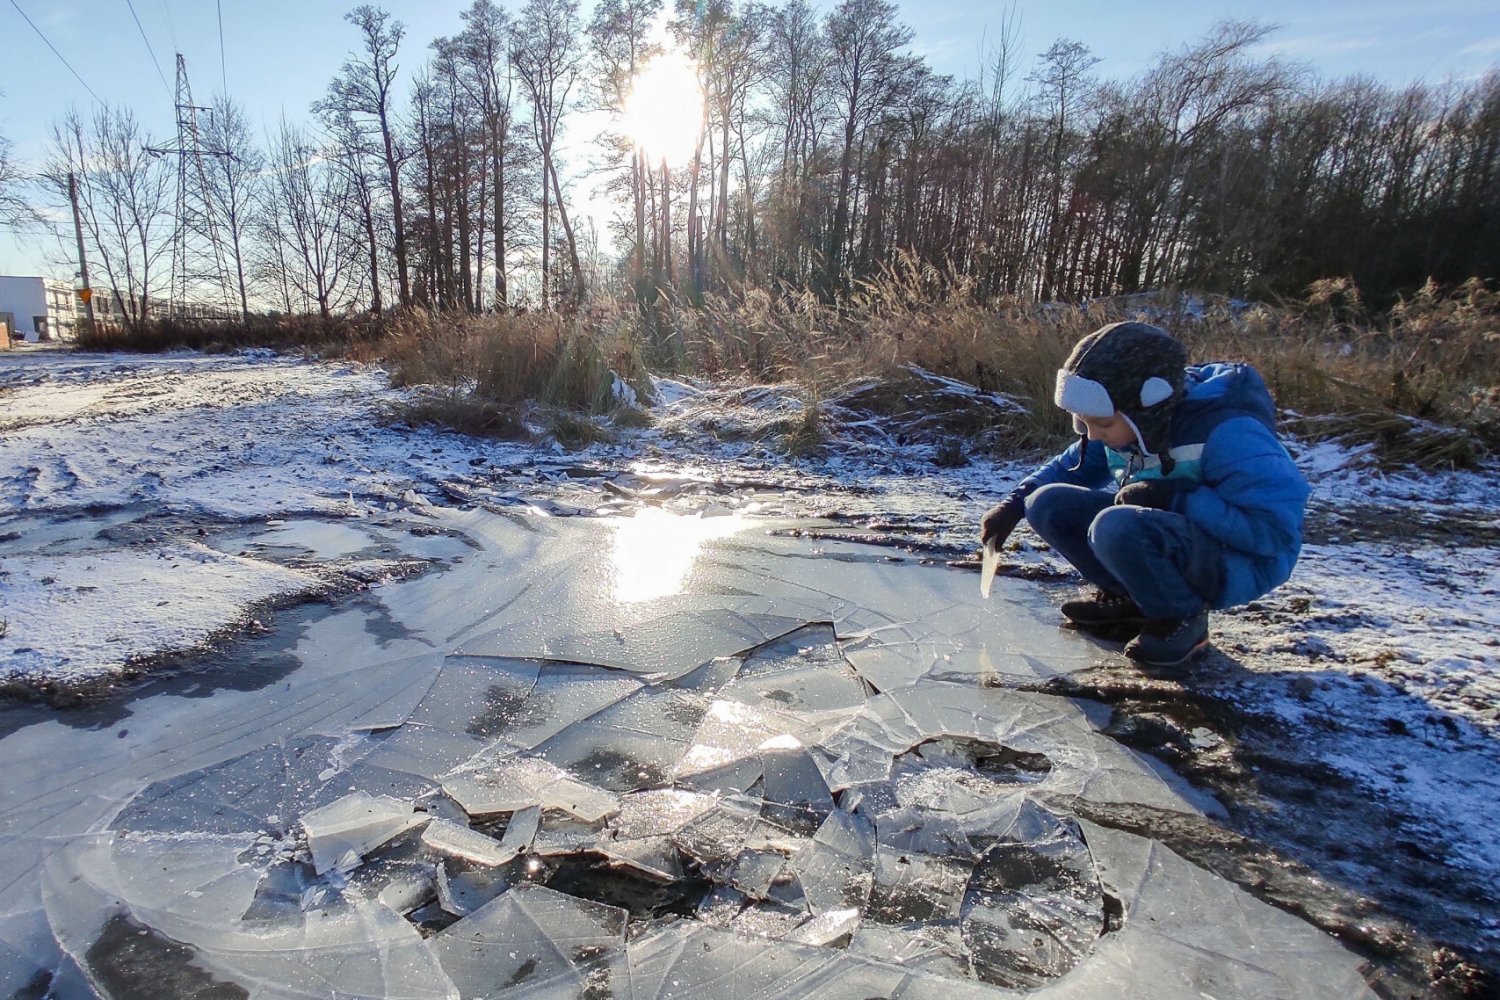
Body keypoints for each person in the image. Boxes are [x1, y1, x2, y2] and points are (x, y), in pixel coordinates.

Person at [980, 321, 1309, 667]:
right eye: (1083, 423)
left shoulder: (1230, 433)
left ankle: (1181, 618)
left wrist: (1177, 498)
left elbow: (1275, 533)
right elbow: (1065, 469)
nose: (1092, 436)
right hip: (1172, 537)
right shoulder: (1124, 427)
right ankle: (1132, 602)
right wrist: (1013, 505)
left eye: (1102, 425)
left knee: (1116, 526)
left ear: (1146, 407)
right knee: (1045, 503)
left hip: (1238, 561)